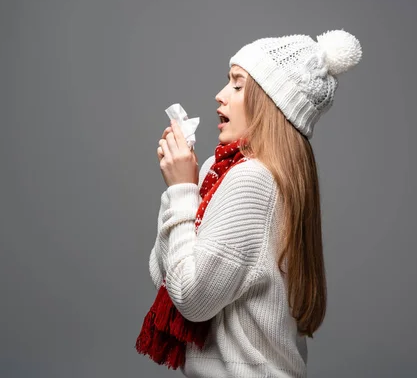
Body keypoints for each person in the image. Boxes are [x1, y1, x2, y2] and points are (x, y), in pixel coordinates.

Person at [136, 30, 362, 377]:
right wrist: (184, 187)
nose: (220, 96)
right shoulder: (220, 173)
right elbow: (162, 272)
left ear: (271, 102)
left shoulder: (252, 180)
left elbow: (191, 299)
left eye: (237, 85)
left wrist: (181, 190)